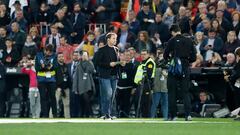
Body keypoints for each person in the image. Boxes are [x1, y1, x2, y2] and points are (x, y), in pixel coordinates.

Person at [163, 24, 196, 121]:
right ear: (179, 30)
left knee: (171, 92)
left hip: (174, 68)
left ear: (172, 32)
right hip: (185, 68)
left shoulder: (171, 41)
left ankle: (173, 115)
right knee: (185, 92)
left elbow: (165, 56)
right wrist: (185, 62)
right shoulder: (189, 41)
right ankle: (188, 115)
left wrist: (172, 60)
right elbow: (194, 57)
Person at [96, 32, 119, 119]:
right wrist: (108, 64)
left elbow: (116, 62)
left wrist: (121, 63)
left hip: (114, 75)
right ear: (108, 39)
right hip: (105, 76)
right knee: (108, 94)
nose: (115, 40)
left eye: (116, 38)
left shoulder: (116, 49)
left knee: (112, 95)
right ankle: (106, 113)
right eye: (113, 38)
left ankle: (107, 113)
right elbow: (98, 63)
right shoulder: (101, 50)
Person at [35, 44, 58, 118]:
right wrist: (42, 67)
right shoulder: (38, 55)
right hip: (41, 79)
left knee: (52, 97)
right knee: (43, 97)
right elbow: (36, 67)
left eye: (50, 52)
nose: (49, 53)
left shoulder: (54, 56)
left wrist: (51, 67)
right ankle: (45, 114)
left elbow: (56, 67)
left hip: (51, 79)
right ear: (45, 50)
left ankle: (54, 114)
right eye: (48, 51)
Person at [72, 51, 95, 117]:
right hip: (81, 86)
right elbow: (76, 77)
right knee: (83, 102)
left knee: (86, 100)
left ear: (88, 56)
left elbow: (92, 70)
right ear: (81, 56)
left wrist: (88, 61)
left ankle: (90, 114)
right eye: (83, 55)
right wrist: (75, 88)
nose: (84, 56)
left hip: (88, 85)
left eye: (86, 55)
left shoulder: (90, 63)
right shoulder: (78, 65)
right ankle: (86, 114)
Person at [134, 49, 156, 118]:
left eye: (144, 54)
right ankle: (141, 116)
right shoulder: (142, 62)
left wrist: (141, 82)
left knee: (146, 103)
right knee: (138, 101)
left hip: (146, 85)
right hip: (140, 85)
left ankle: (146, 117)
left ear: (148, 55)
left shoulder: (149, 63)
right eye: (142, 54)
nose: (143, 56)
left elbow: (148, 75)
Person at [150, 48, 168, 120]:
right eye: (159, 54)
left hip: (165, 87)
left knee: (165, 104)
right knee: (155, 103)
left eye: (161, 54)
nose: (160, 56)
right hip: (157, 87)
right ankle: (152, 117)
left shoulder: (167, 64)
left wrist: (166, 74)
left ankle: (165, 117)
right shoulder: (154, 64)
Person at [224, 47, 240, 121]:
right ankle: (237, 114)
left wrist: (229, 78)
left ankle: (238, 115)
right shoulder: (238, 64)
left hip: (238, 84)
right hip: (237, 84)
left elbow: (237, 74)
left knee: (238, 100)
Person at [55, 52, 70, 118]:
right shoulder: (54, 66)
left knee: (67, 104)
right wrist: (57, 87)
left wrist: (69, 86)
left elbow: (68, 77)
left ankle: (67, 118)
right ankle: (51, 118)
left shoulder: (66, 66)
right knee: (55, 104)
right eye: (59, 57)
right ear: (57, 58)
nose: (61, 58)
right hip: (57, 88)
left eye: (62, 56)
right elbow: (53, 78)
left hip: (66, 88)